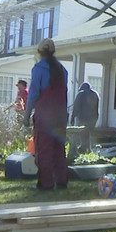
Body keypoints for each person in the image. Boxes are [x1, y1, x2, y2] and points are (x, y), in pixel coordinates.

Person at [25, 39, 69, 191]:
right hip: (61, 115)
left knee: (44, 149)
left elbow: (33, 94)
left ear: (40, 52)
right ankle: (61, 181)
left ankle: (46, 183)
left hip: (45, 116)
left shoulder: (38, 69)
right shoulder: (63, 71)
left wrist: (27, 114)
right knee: (59, 148)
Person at [70, 82, 100, 154]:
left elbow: (76, 107)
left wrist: (72, 117)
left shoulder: (81, 94)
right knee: (89, 133)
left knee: (83, 133)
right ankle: (88, 148)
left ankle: (84, 148)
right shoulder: (95, 94)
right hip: (93, 118)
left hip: (83, 118)